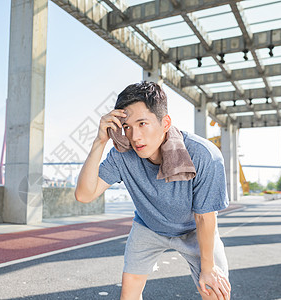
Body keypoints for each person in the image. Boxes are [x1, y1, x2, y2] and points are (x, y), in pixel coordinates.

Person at [75, 81, 231, 300]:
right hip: (148, 227)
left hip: (194, 229)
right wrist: (99, 142)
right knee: (128, 295)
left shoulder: (205, 155)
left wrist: (208, 269)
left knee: (215, 291)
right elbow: (84, 194)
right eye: (127, 127)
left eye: (142, 124)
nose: (135, 136)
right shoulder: (122, 155)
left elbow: (205, 217)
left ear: (165, 122)